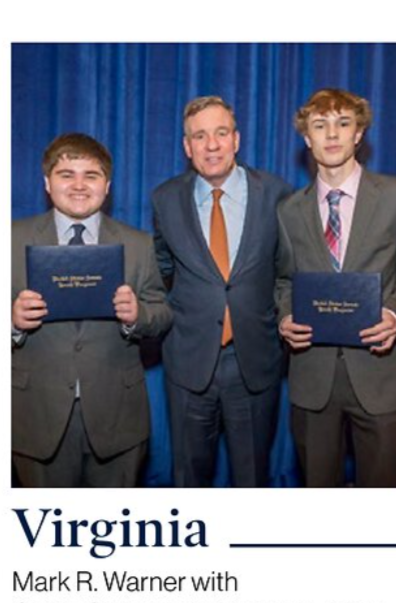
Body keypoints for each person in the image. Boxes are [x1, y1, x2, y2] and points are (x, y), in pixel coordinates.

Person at [12, 133, 171, 487]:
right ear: (47, 183)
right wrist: (11, 322)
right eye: (67, 174)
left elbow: (162, 313)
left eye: (92, 175)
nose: (79, 185)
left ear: (108, 185)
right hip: (35, 417)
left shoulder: (139, 243)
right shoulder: (6, 239)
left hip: (119, 419)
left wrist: (138, 316)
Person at [277, 88, 396, 488]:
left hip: (381, 374)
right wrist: (286, 315)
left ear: (360, 134)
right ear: (307, 137)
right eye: (320, 126)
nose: (332, 134)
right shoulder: (288, 210)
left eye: (343, 123)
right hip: (312, 377)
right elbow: (283, 280)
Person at [152, 96, 293, 487]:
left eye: (220, 133)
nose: (211, 145)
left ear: (236, 139)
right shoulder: (165, 199)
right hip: (188, 361)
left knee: (252, 478)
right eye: (200, 136)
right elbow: (161, 268)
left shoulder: (277, 194)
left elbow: (289, 271)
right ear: (187, 147)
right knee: (189, 479)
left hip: (254, 360)